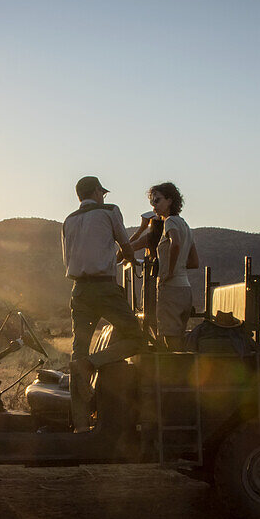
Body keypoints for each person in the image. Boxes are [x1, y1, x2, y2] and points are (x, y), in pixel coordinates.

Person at [61, 176, 143, 421]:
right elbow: (126, 245)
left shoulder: (69, 220)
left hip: (79, 289)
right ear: (97, 191)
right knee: (136, 338)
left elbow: (68, 259)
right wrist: (129, 259)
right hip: (104, 288)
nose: (103, 196)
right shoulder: (110, 211)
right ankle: (92, 363)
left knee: (78, 348)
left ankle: (81, 423)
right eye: (102, 192)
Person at [130, 181, 200, 350]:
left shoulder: (169, 222)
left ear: (170, 200)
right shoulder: (185, 225)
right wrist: (178, 266)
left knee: (169, 340)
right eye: (152, 202)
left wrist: (168, 271)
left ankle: (172, 375)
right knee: (179, 338)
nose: (154, 206)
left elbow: (175, 243)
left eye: (157, 200)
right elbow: (194, 261)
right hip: (185, 288)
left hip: (170, 289)